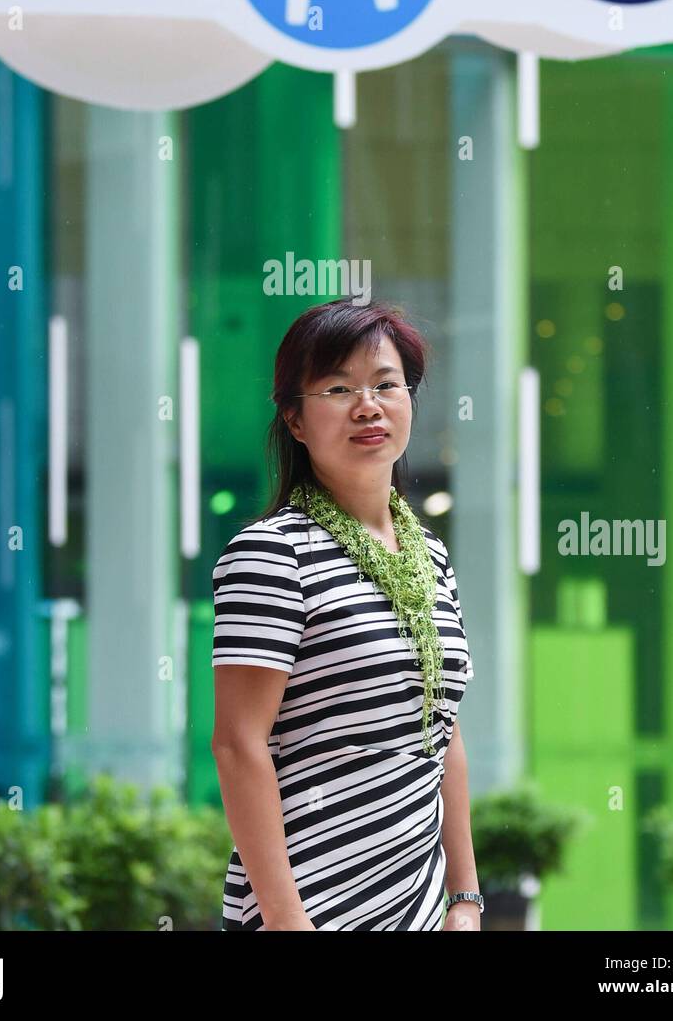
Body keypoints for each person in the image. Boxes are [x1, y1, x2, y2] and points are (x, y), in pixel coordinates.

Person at [211, 298, 483, 931]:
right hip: (308, 903)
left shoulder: (430, 559)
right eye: (338, 388)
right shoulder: (272, 553)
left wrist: (465, 899)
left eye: (386, 384)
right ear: (296, 420)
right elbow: (237, 744)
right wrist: (285, 920)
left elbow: (444, 734)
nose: (368, 405)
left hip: (418, 906)